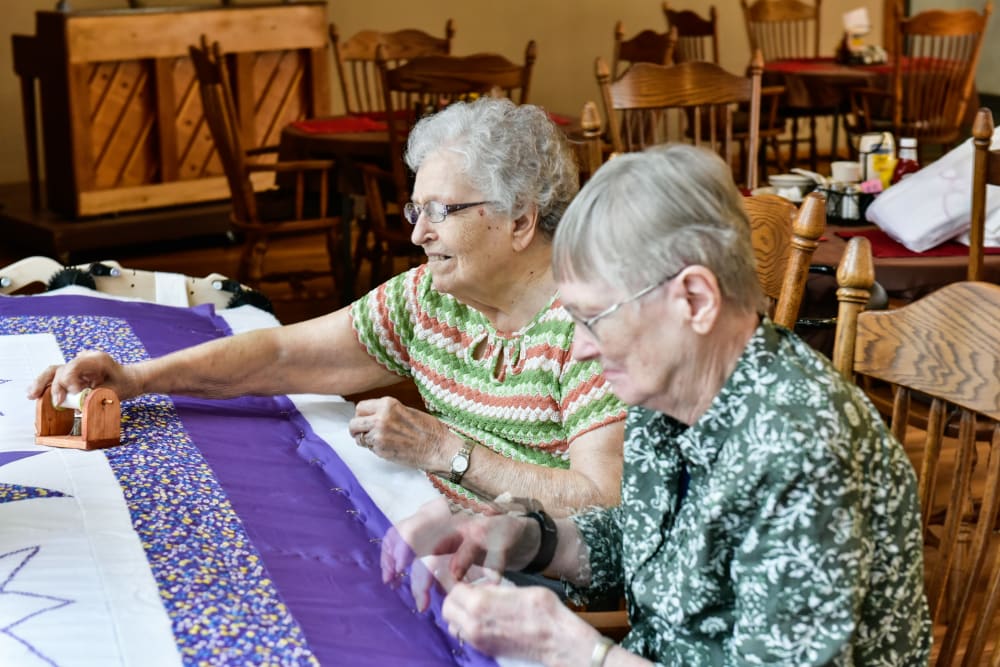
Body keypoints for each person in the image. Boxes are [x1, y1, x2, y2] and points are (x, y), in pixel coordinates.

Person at [382, 144, 932, 666]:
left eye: (595, 318)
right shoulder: (671, 388)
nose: (581, 347)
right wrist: (529, 536)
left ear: (694, 300)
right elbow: (652, 547)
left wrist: (573, 648)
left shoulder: (803, 447)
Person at [28, 97, 626, 514]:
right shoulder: (430, 297)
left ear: (520, 220)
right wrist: (137, 379)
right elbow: (285, 354)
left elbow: (605, 500)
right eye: (416, 212)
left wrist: (448, 451)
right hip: (443, 536)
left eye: (442, 212)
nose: (419, 235)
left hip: (530, 588)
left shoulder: (596, 330)